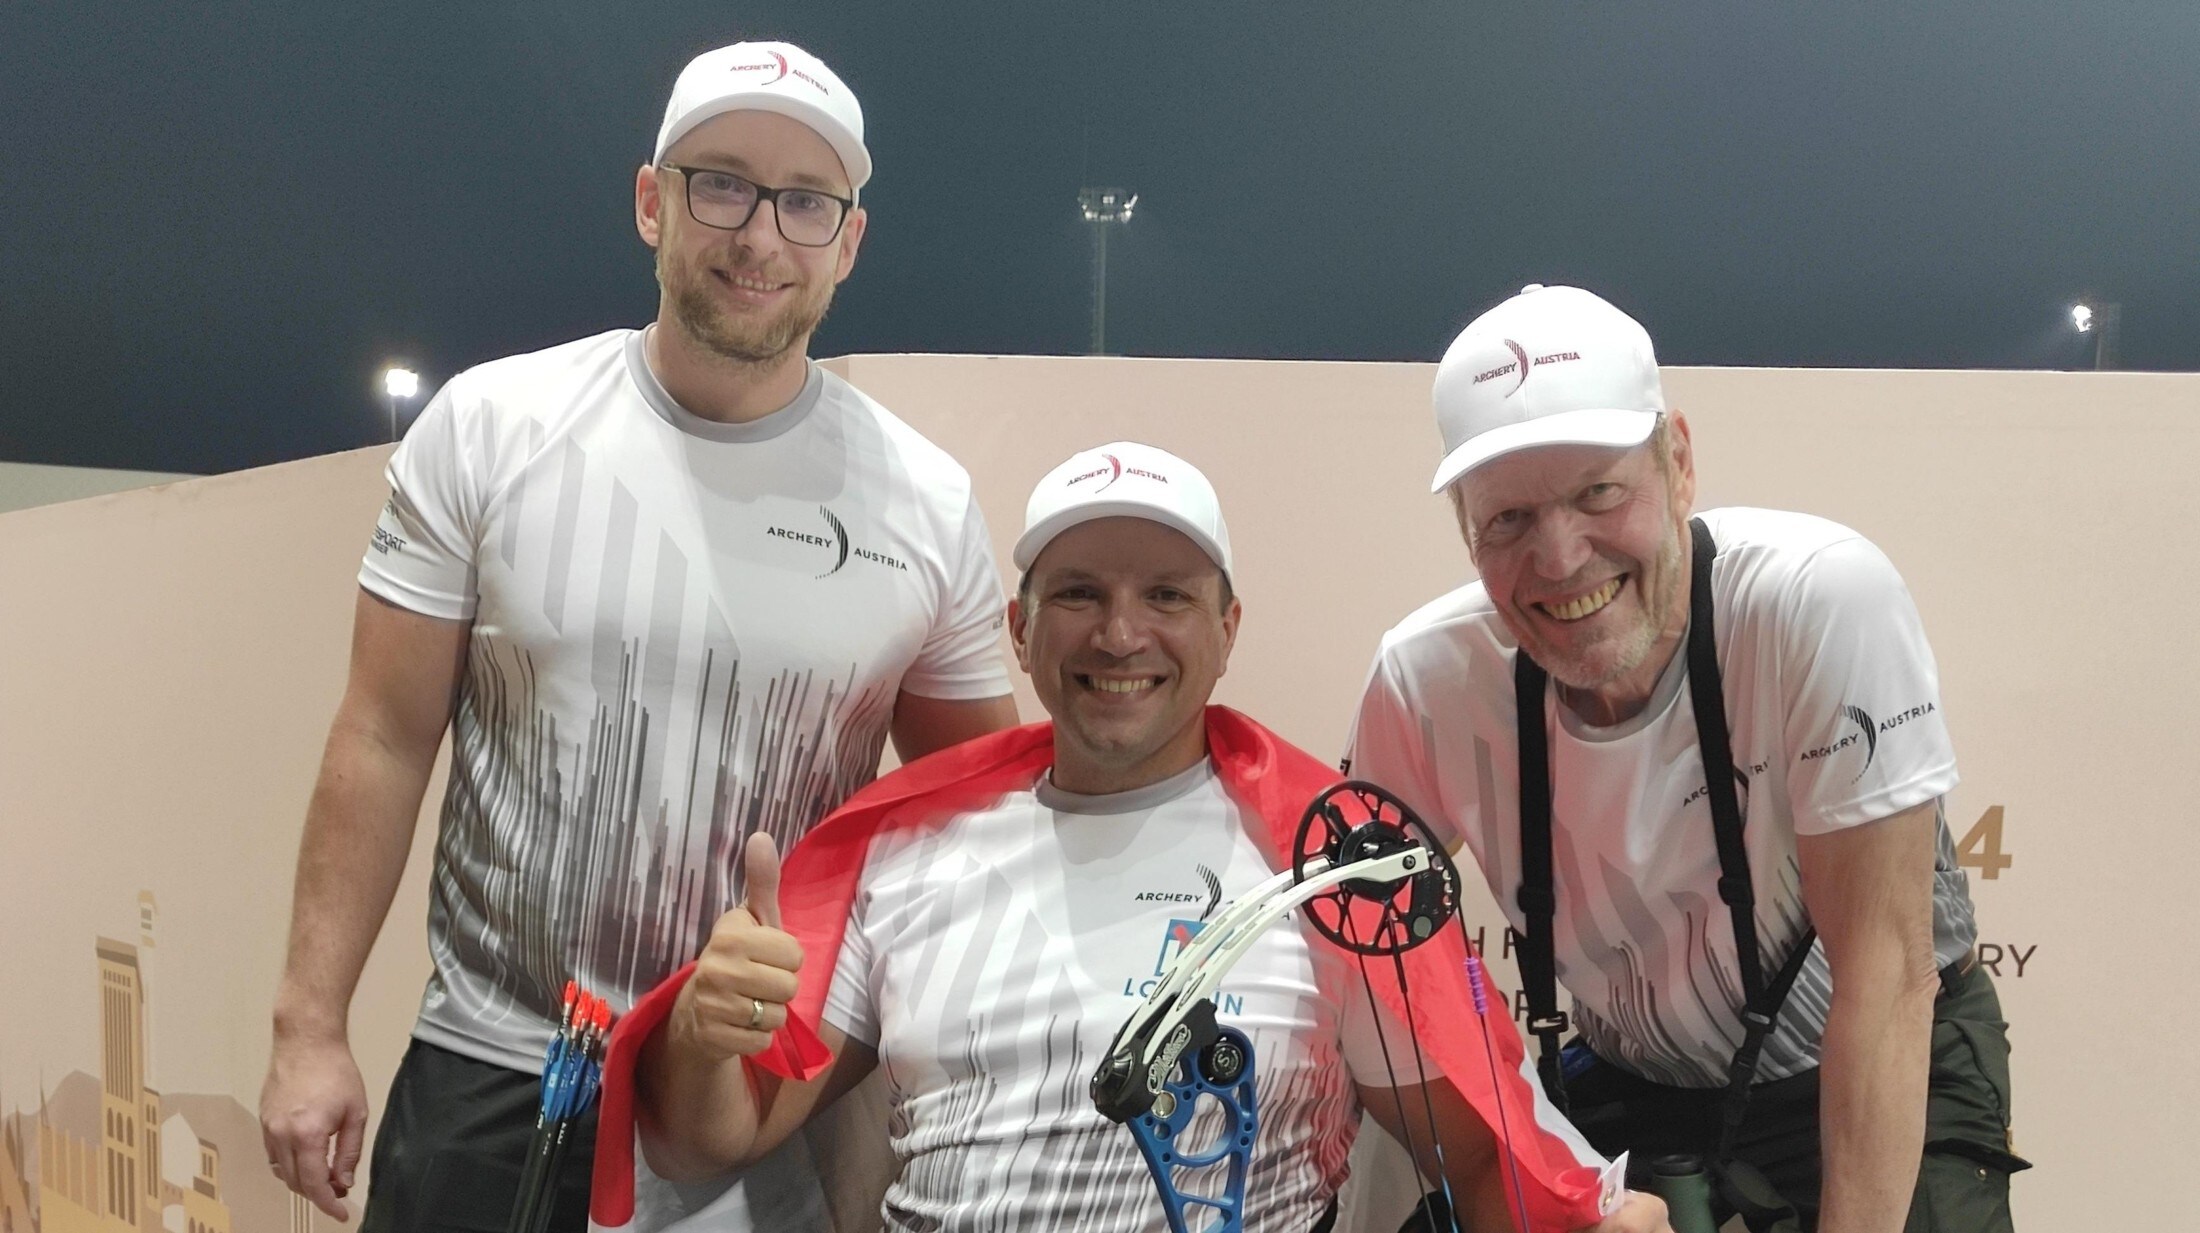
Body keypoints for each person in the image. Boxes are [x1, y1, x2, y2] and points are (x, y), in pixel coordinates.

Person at [258, 40, 1019, 1232]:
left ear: (848, 244)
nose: (759, 235)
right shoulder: (492, 427)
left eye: (805, 203)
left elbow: (972, 826)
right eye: (720, 183)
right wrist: (308, 1029)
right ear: (649, 203)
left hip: (757, 1108)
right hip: (492, 1071)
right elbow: (383, 735)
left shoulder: (924, 501)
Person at [592, 442, 1672, 1233]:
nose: (1119, 635)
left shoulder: (1320, 873)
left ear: (1224, 630)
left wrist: (1592, 1217)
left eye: (1165, 595)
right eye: (1077, 595)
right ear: (1018, 631)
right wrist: (699, 1030)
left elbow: (1482, 1161)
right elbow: (706, 1139)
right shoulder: (903, 856)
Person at [1348, 284, 2027, 1232]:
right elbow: (1377, 969)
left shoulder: (1817, 601)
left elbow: (1886, 972)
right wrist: (1554, 1182)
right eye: (1507, 519)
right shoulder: (1423, 680)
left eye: (1599, 492)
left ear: (1678, 463)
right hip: (1633, 1078)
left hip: (1871, 1048)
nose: (1558, 557)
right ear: (1466, 526)